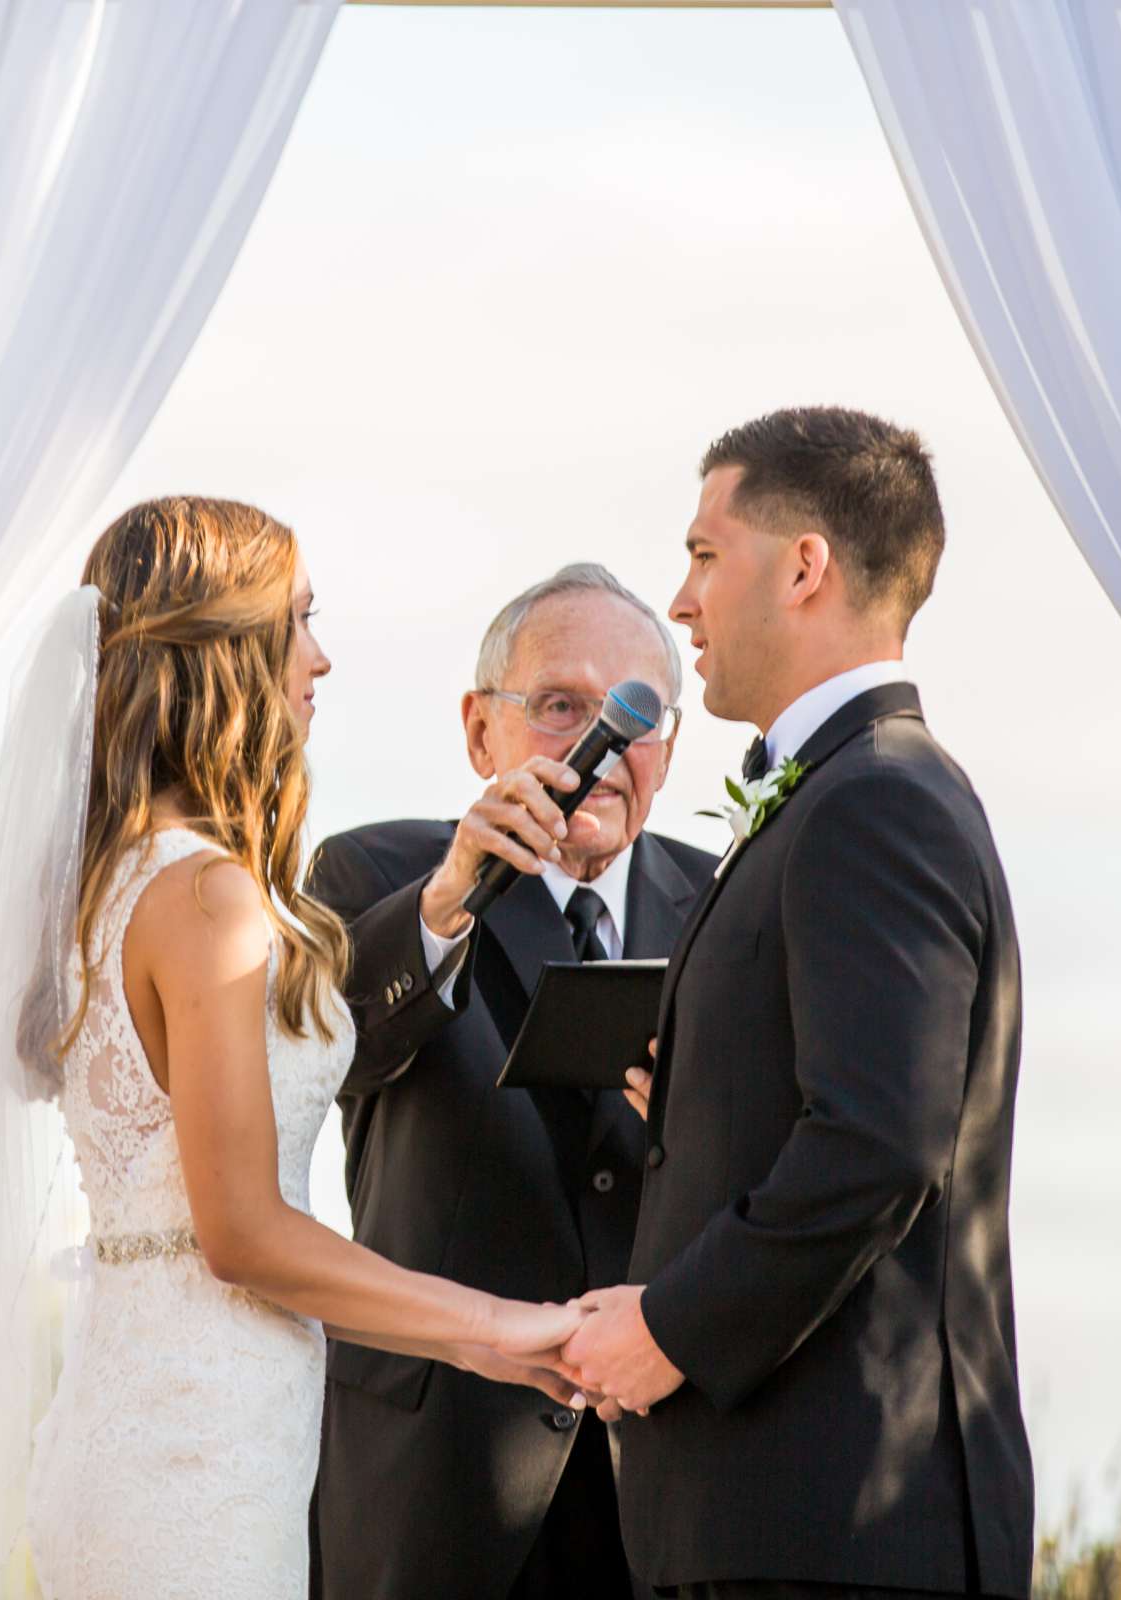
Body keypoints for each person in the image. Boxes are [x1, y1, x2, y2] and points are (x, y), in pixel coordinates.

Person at [0, 497, 588, 1600]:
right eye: (297, 621)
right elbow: (243, 1232)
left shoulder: (107, 883)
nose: (322, 656)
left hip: (146, 1423)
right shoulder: (207, 894)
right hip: (192, 1458)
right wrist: (488, 1328)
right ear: (223, 656)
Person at [560, 408, 1037, 1599]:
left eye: (705, 555)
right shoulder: (837, 794)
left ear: (807, 565)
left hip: (837, 1533)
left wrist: (667, 1327)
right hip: (766, 1523)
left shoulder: (879, 802)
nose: (681, 601)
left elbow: (879, 1140)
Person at [306, 565, 716, 1600]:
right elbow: (329, 1054)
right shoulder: (374, 875)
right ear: (480, 731)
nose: (602, 751)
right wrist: (451, 899)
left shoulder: (727, 903)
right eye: (563, 708)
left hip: (661, 1485)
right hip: (433, 1483)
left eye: (637, 717)